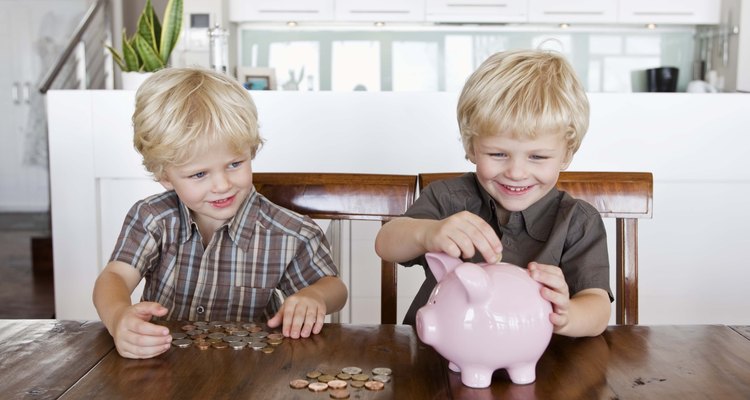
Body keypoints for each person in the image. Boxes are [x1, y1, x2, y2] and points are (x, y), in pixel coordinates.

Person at [93, 67, 348, 359]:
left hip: (251, 370)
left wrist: (315, 296)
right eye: (199, 174)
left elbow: (334, 287)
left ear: (251, 151)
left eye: (235, 164)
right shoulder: (152, 217)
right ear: (165, 176)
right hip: (164, 365)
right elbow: (114, 277)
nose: (222, 185)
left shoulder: (291, 232)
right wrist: (118, 318)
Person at [375, 49, 612, 337]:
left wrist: (569, 315)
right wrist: (429, 233)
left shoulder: (577, 221)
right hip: (439, 355)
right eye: (498, 154)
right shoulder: (447, 198)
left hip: (538, 363)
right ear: (472, 148)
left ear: (566, 156)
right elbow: (386, 243)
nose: (516, 172)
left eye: (537, 157)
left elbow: (597, 306)